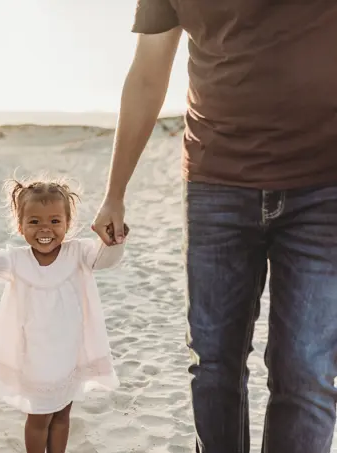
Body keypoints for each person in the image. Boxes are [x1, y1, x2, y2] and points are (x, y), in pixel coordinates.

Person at [91, 1, 337, 452]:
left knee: (306, 369)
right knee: (214, 364)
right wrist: (115, 192)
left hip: (324, 185)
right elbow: (148, 72)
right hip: (216, 181)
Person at [0, 177, 127, 453]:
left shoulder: (78, 252)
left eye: (55, 221)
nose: (45, 229)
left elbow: (106, 259)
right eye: (34, 222)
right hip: (35, 356)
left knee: (62, 415)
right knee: (38, 418)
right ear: (20, 225)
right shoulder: (16, 259)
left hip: (69, 352)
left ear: (68, 224)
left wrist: (114, 239)